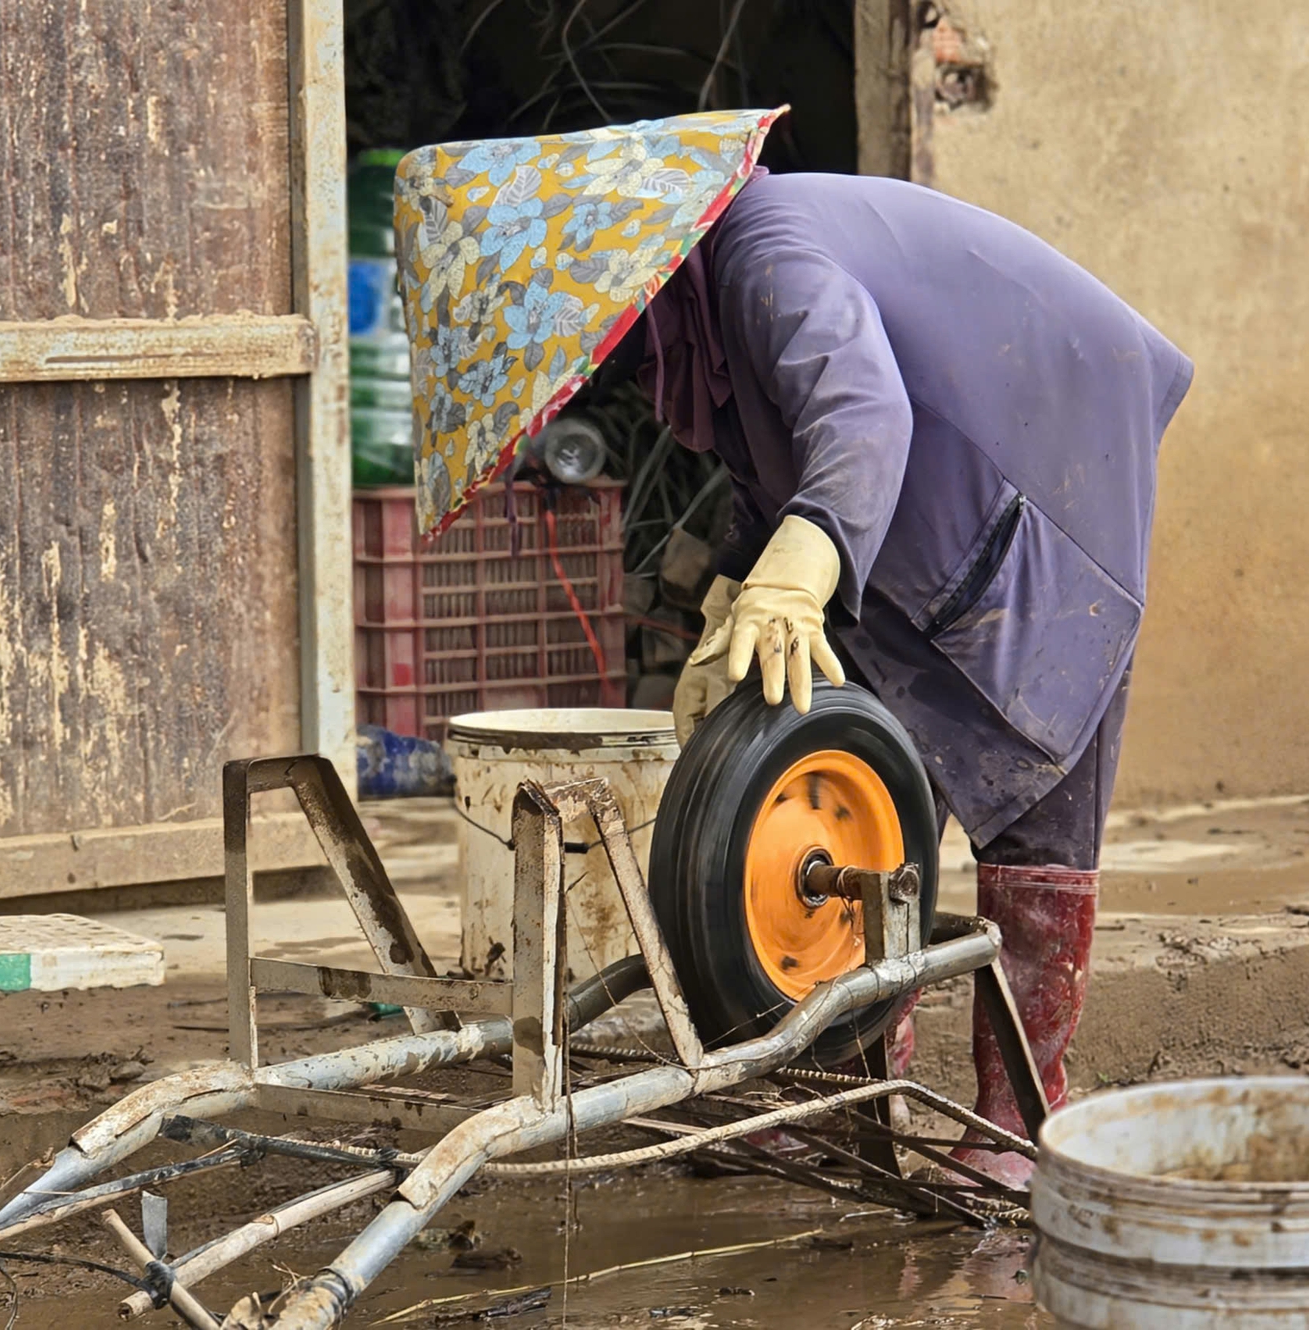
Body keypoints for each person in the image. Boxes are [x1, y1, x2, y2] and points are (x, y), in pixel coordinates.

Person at [393, 109, 1191, 1185]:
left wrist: (796, 573)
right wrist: (737, 582)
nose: (587, 380)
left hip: (1048, 455)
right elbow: (775, 464)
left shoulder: (763, 250)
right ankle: (836, 1090)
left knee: (1034, 774)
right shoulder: (707, 314)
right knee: (853, 780)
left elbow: (859, 418)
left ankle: (1016, 1126)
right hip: (919, 486)